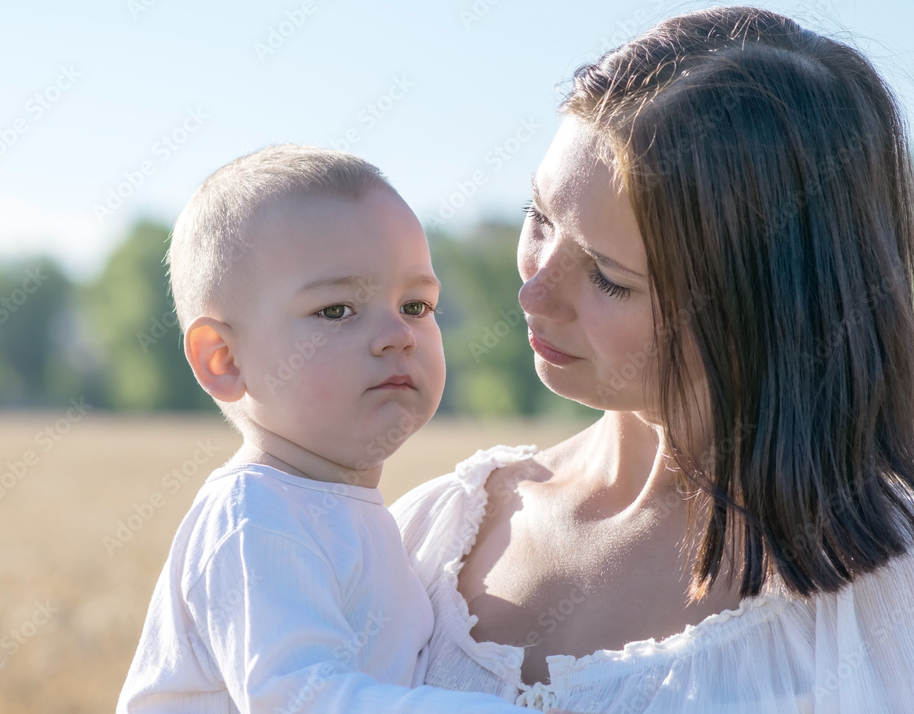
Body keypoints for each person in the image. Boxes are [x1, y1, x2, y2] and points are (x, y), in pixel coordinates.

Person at [392, 7, 914, 712]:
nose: (534, 291)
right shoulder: (428, 537)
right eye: (540, 218)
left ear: (763, 308)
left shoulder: (886, 600)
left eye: (608, 277)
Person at [116, 145, 534, 713]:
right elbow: (304, 699)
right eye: (336, 310)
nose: (398, 335)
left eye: (415, 305)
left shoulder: (348, 512)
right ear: (224, 359)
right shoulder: (252, 515)